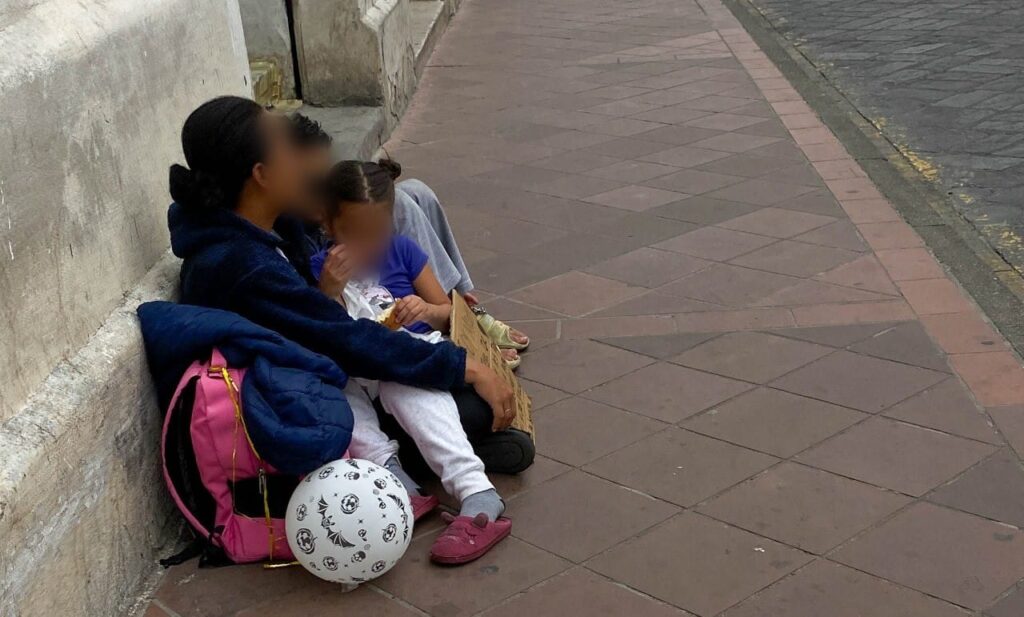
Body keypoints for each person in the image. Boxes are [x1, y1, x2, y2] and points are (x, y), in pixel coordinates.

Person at [166, 96, 534, 480]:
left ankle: (440, 445)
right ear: (262, 175)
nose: (305, 165)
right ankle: (421, 458)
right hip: (308, 407)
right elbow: (345, 340)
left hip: (335, 375)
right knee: (469, 399)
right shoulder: (241, 266)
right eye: (290, 149)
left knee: (440, 381)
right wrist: (464, 368)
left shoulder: (268, 231)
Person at [308, 159, 511, 564]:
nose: (368, 245)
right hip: (358, 366)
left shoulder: (402, 251)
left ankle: (477, 492)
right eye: (354, 234)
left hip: (411, 357)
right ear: (329, 226)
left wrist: (424, 310)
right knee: (335, 386)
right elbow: (327, 330)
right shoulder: (321, 268)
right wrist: (329, 288)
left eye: (376, 233)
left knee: (406, 383)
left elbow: (449, 311)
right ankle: (395, 479)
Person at [289, 113, 530, 351]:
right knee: (402, 201)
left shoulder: (391, 243)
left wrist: (429, 311)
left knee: (416, 191)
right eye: (314, 186)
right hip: (377, 338)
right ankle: (462, 317)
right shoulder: (294, 235)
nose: (323, 194)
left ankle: (462, 305)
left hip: (420, 323)